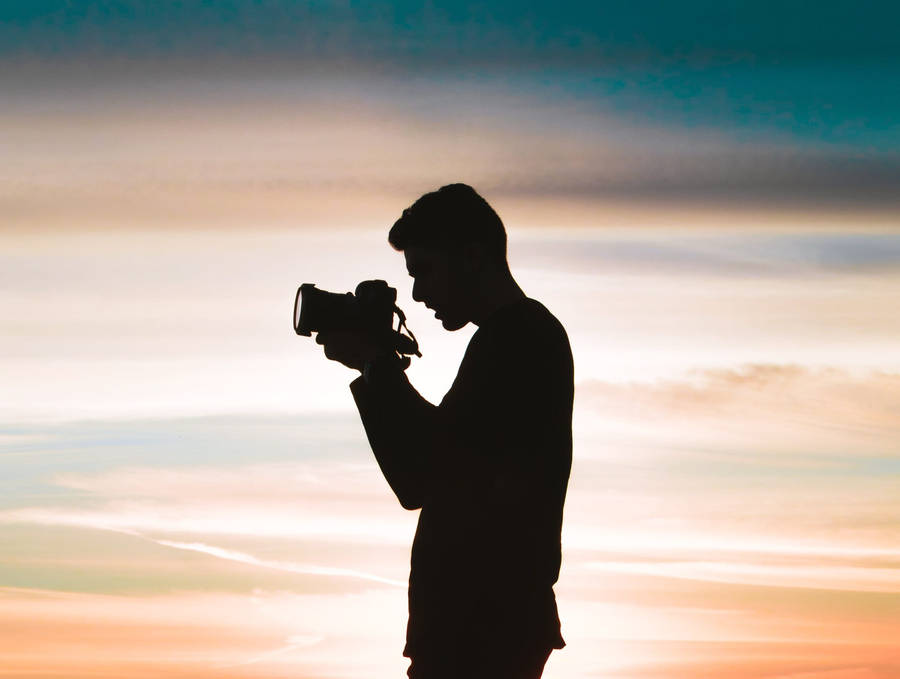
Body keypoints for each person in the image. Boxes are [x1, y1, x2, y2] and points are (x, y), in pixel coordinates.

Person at [315, 183, 573, 679]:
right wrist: (376, 368)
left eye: (424, 270)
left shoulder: (519, 338)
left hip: (480, 631)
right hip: (479, 627)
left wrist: (376, 365)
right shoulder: (516, 337)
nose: (417, 293)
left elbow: (422, 473)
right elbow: (435, 464)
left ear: (472, 256)